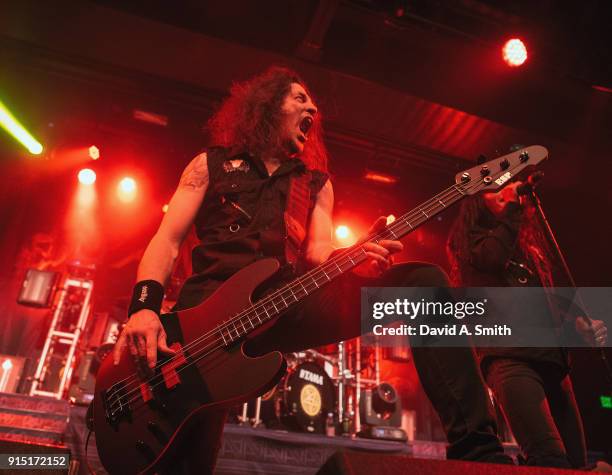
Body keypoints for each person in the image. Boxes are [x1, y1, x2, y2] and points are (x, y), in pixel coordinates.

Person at [112, 66, 510, 473]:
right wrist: (144, 308)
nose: (313, 108)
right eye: (300, 98)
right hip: (202, 324)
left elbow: (319, 254)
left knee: (424, 284)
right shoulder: (208, 165)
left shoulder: (315, 183)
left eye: (312, 103)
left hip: (282, 306)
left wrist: (360, 262)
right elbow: (167, 240)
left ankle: (477, 449)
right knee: (186, 458)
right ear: (268, 105)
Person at [447, 181, 608, 468]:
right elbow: (492, 258)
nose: (502, 191)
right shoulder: (471, 242)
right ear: (475, 199)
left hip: (554, 363)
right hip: (511, 360)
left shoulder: (528, 247)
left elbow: (549, 299)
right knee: (549, 459)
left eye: (507, 186)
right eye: (493, 187)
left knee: (578, 464)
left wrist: (579, 323)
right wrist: (511, 209)